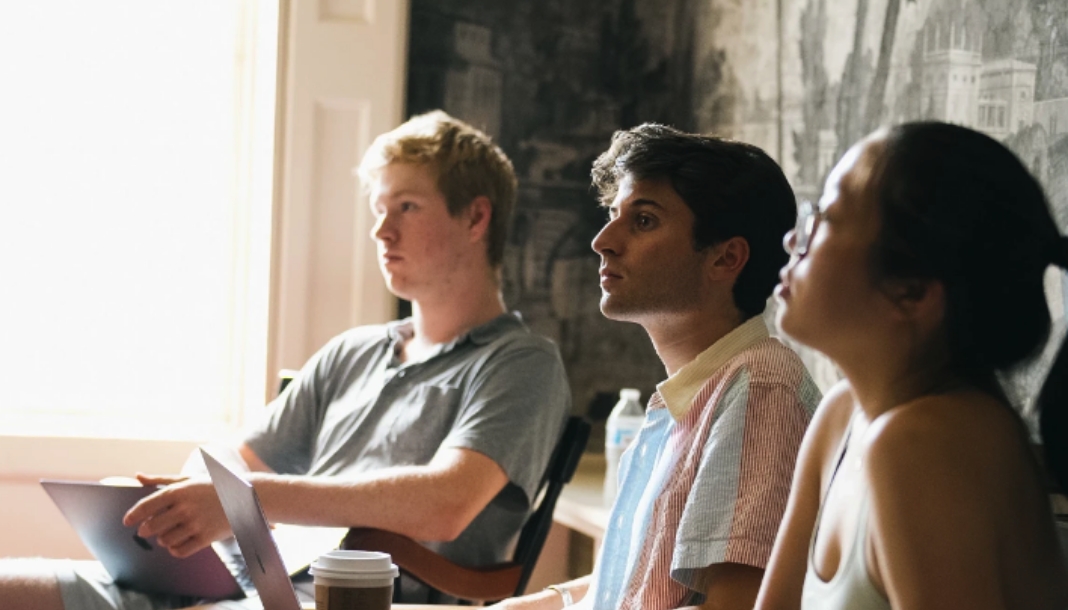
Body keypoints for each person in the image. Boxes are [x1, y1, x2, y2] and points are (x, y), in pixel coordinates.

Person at [0, 110, 572, 610]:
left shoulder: (521, 364)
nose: (381, 229)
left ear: (476, 218)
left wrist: (245, 501)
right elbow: (237, 458)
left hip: (350, 599)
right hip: (240, 584)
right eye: (378, 208)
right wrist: (177, 503)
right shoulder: (353, 351)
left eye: (407, 206)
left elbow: (445, 504)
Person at [495, 124, 821, 610]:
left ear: (726, 258)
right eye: (613, 214)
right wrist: (540, 604)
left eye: (643, 221)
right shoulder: (691, 395)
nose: (602, 240)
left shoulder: (760, 391)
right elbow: (639, 583)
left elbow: (735, 606)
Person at [754, 121, 1068, 609]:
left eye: (824, 218)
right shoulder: (841, 416)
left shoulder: (925, 443)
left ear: (913, 290)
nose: (794, 238)